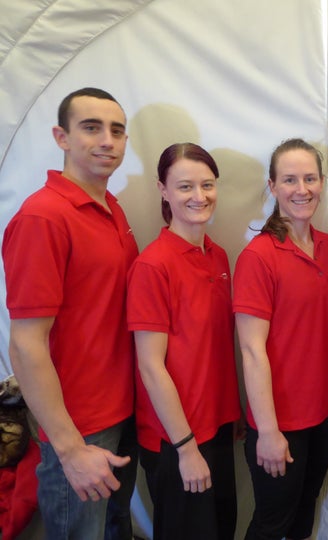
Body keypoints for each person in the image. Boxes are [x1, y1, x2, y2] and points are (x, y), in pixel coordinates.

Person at [3, 87, 138, 539]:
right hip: (79, 428)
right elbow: (24, 344)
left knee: (116, 529)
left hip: (122, 411)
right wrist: (69, 448)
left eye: (116, 130)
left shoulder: (112, 208)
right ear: (61, 137)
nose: (107, 140)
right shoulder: (43, 218)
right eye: (91, 128)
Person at [126, 143, 241, 540]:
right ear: (163, 190)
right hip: (176, 438)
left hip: (217, 427)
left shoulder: (219, 256)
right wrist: (186, 448)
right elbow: (150, 366)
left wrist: (231, 413)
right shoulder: (152, 266)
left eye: (207, 185)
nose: (199, 196)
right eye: (185, 186)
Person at [233, 138, 328, 540]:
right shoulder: (259, 256)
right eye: (290, 179)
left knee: (304, 511)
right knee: (271, 524)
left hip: (327, 413)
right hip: (281, 421)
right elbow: (251, 350)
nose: (302, 189)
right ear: (273, 186)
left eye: (310, 178)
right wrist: (267, 430)